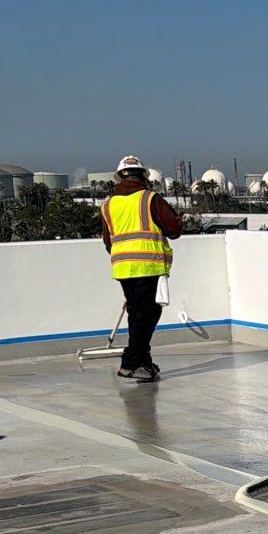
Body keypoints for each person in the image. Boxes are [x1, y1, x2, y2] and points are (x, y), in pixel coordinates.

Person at [100, 156, 183, 382]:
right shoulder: (149, 199)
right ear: (143, 176)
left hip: (123, 268)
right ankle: (129, 362)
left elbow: (109, 241)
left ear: (120, 177)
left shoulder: (108, 205)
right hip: (148, 265)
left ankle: (143, 364)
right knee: (148, 314)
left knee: (137, 315)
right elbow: (174, 229)